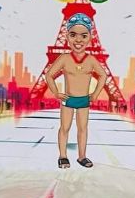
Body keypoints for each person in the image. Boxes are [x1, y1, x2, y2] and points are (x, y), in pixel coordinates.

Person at [43, 13, 107, 169]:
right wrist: (56, 93)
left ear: (90, 38)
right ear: (66, 37)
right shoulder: (64, 58)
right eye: (73, 35)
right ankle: (63, 156)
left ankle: (82, 156)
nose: (78, 40)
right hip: (68, 99)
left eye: (83, 36)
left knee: (82, 129)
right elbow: (49, 75)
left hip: (83, 99)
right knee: (65, 128)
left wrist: (96, 94)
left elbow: (103, 75)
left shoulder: (91, 60)